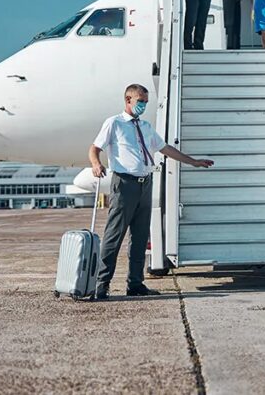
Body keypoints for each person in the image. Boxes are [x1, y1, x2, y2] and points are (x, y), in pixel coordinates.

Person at [90, 83, 214, 299]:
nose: (144, 106)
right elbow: (95, 148)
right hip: (125, 184)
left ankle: (135, 284)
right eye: (140, 102)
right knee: (114, 236)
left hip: (145, 183)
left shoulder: (146, 127)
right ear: (128, 100)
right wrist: (96, 164)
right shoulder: (115, 123)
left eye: (146, 102)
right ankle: (102, 284)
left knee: (139, 238)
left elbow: (165, 148)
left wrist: (192, 162)